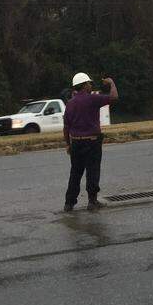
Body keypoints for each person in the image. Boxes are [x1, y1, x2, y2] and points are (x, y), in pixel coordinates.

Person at [63, 72, 118, 212]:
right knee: (92, 171)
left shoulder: (70, 104)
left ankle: (69, 203)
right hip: (92, 142)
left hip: (76, 143)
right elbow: (114, 97)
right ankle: (92, 202)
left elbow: (66, 127)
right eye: (89, 83)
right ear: (84, 85)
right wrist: (111, 83)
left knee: (75, 173)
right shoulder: (93, 99)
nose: (90, 85)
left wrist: (68, 144)